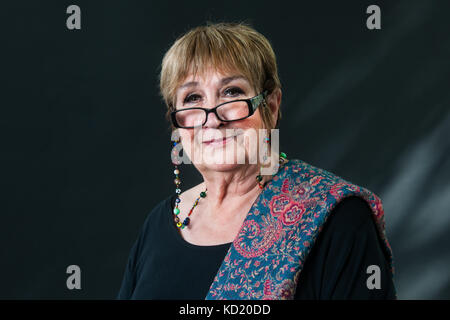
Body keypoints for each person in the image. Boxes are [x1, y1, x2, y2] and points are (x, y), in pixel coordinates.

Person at [117, 22, 396, 300]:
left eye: (232, 92)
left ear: (271, 106)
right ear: (177, 125)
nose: (212, 119)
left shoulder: (339, 219)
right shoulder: (160, 224)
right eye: (192, 98)